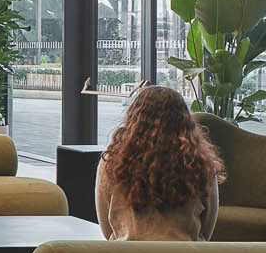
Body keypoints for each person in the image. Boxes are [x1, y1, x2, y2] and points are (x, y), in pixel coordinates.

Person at [96, 85, 225, 242]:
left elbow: (106, 227)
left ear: (134, 119)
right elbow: (207, 228)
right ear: (184, 121)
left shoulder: (111, 163)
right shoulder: (201, 164)